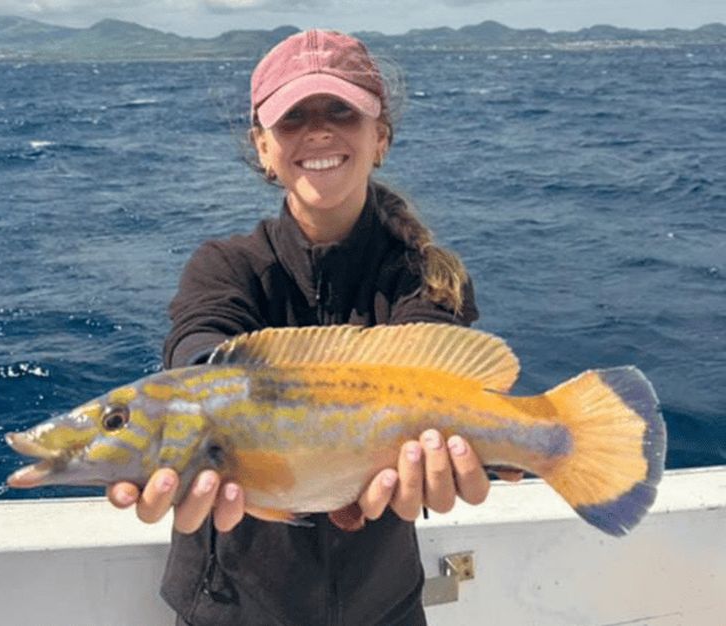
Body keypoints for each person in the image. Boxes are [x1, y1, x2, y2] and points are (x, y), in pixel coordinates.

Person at [108, 29, 520, 625]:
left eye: (341, 112)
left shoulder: (428, 280)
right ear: (264, 147)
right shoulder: (224, 266)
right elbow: (199, 338)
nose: (319, 131)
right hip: (228, 611)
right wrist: (187, 428)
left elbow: (438, 379)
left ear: (380, 138)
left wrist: (469, 460)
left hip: (383, 609)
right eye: (293, 117)